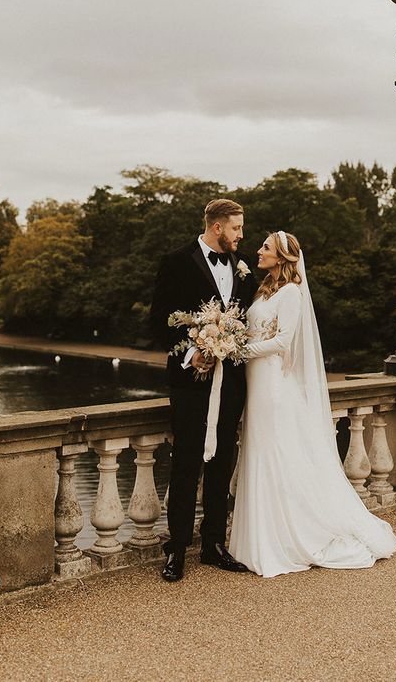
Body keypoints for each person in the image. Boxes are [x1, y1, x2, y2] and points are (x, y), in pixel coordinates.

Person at [229, 231, 396, 577]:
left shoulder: (291, 292)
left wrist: (239, 351)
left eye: (265, 248)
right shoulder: (264, 289)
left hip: (272, 383)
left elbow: (283, 341)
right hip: (255, 383)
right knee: (259, 453)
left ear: (282, 257)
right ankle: (259, 537)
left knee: (273, 454)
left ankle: (286, 538)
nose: (258, 251)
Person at [150, 198, 258, 582]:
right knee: (185, 465)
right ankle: (176, 550)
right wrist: (192, 352)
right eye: (236, 228)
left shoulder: (243, 268)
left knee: (221, 463)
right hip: (190, 384)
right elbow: (159, 321)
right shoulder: (175, 262)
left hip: (230, 384)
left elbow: (247, 321)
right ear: (217, 228)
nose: (241, 236)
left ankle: (213, 544)